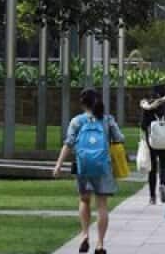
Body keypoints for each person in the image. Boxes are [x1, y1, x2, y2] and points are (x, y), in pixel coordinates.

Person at [53, 88, 126, 254]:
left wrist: (58, 165)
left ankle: (85, 234)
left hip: (83, 167)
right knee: (102, 205)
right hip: (103, 167)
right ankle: (100, 244)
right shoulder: (107, 120)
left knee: (84, 200)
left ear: (82, 104)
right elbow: (120, 138)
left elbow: (68, 143)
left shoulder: (77, 121)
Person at [141, 84, 165, 204]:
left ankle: (152, 196)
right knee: (164, 164)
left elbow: (143, 124)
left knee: (152, 168)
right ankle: (162, 183)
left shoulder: (147, 104)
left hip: (152, 139)